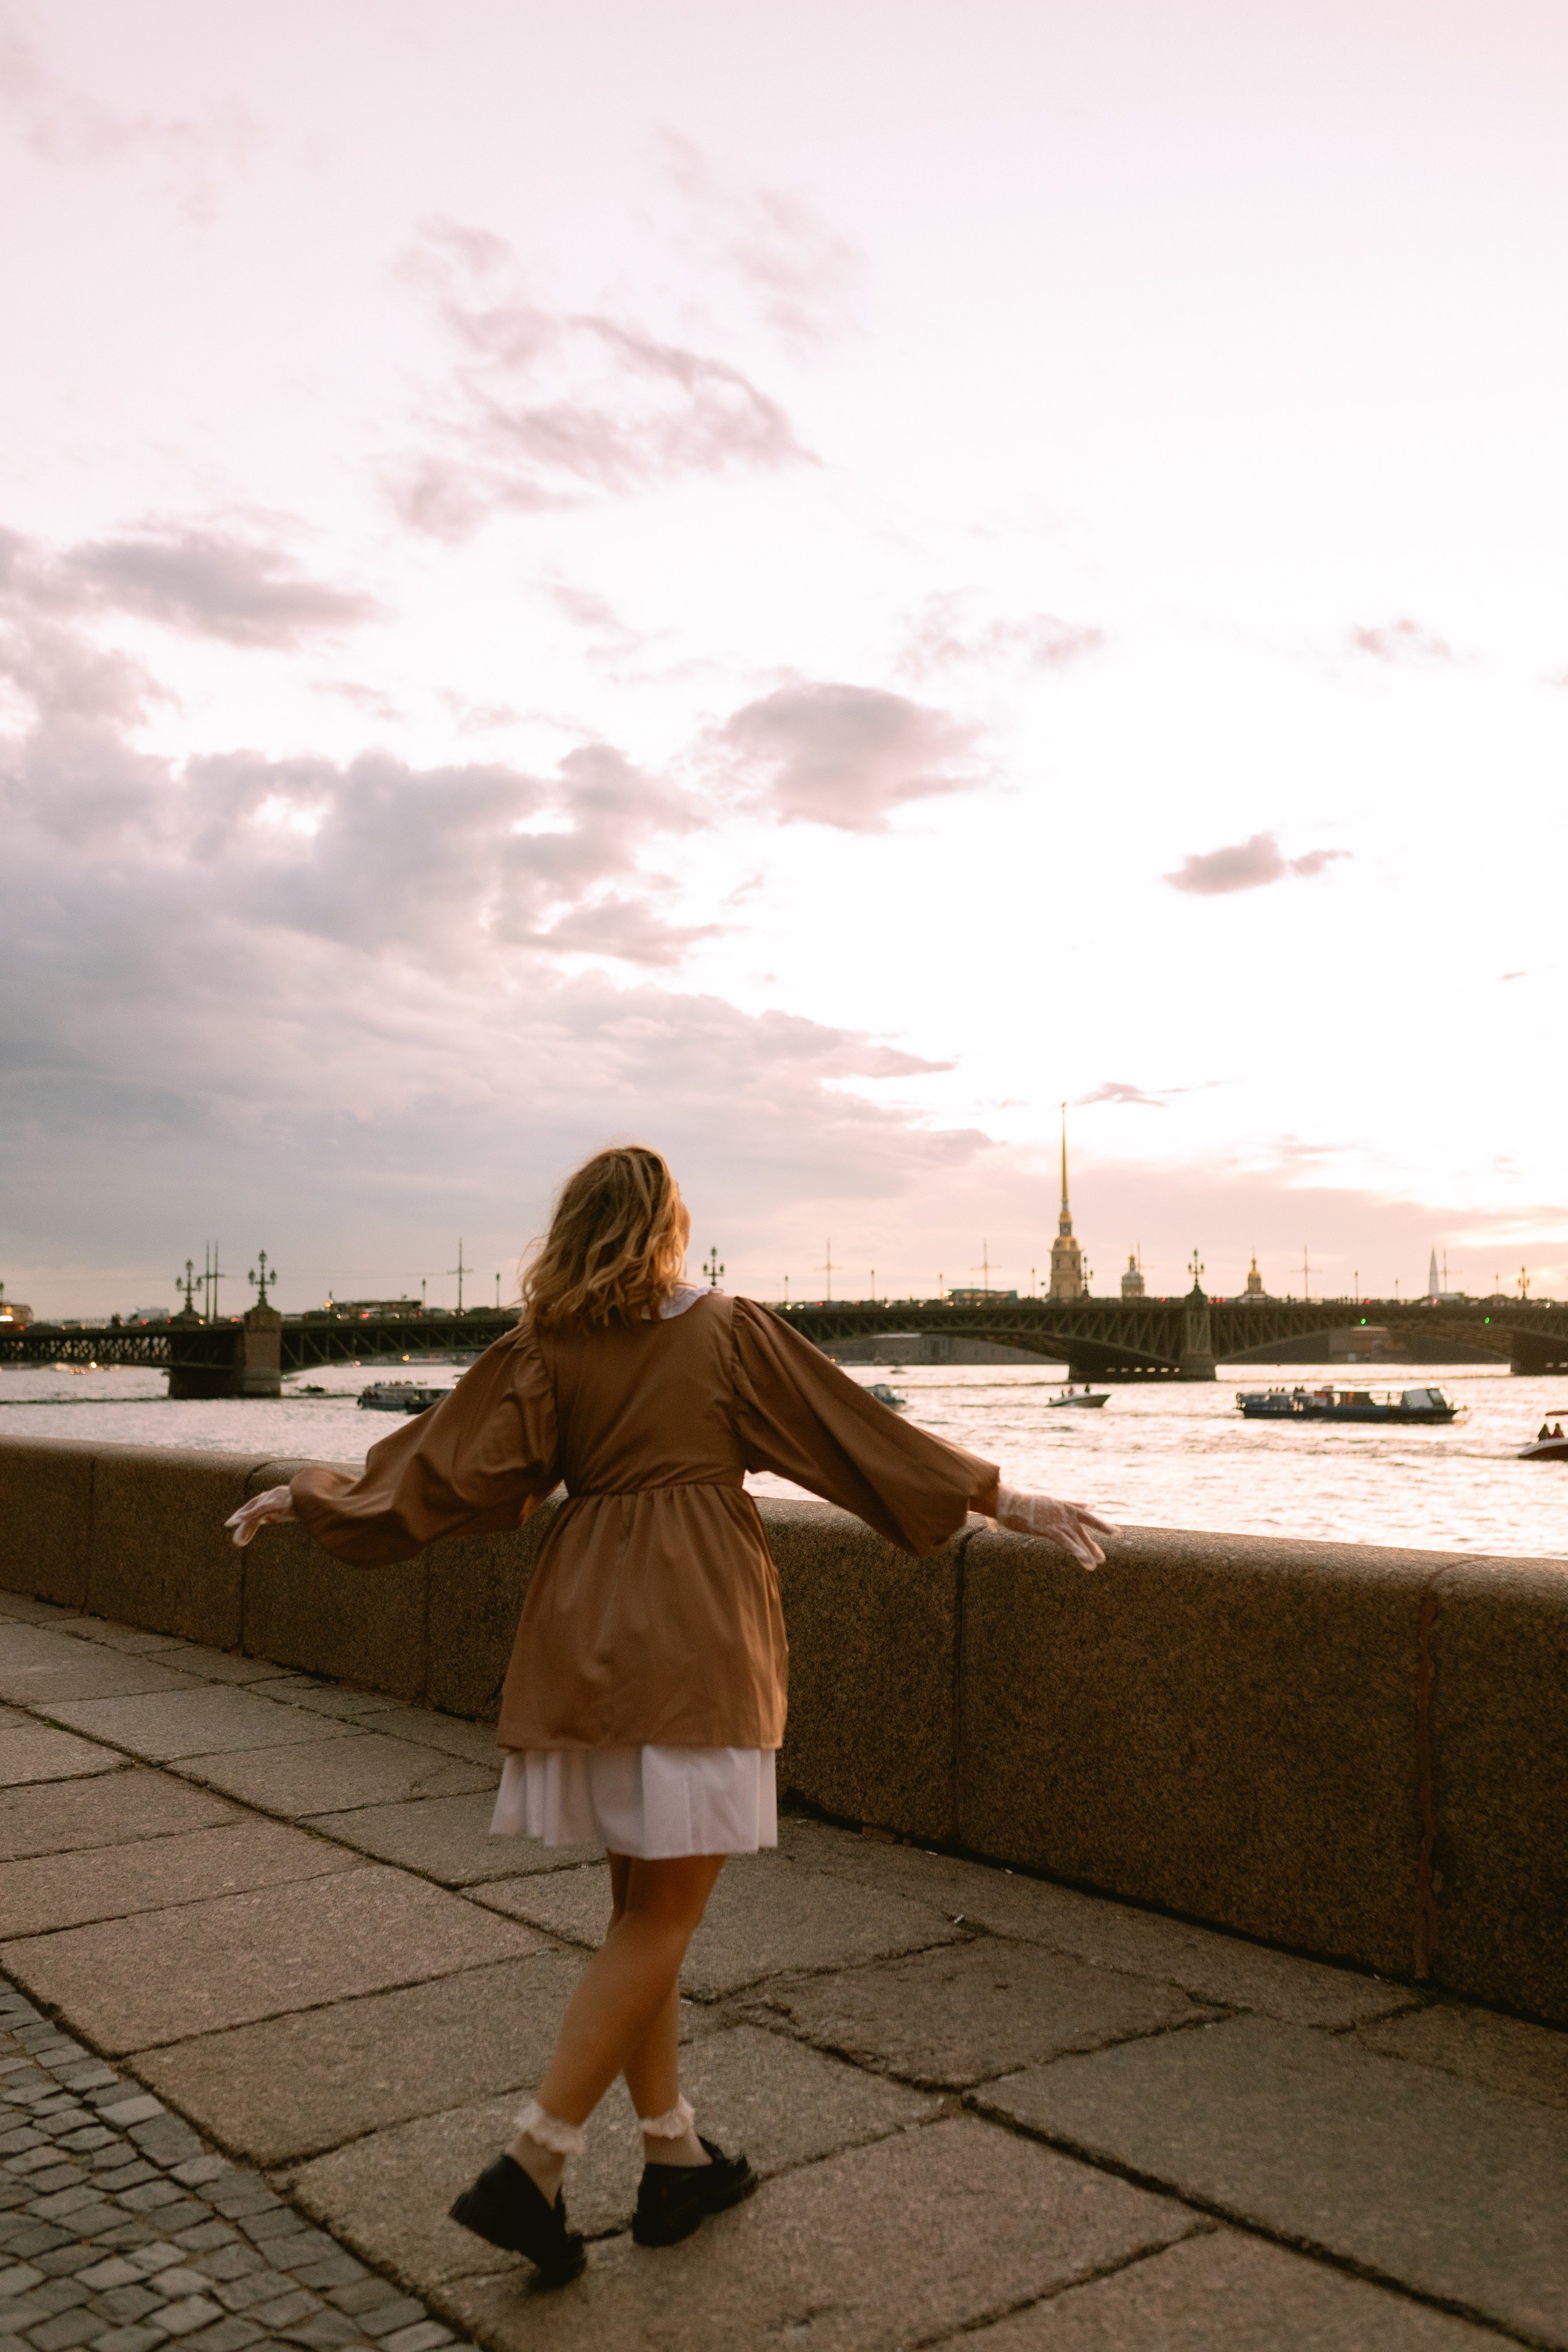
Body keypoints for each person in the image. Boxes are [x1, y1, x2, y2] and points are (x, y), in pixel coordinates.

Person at [225, 1146, 1114, 2286]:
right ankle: (533, 2163)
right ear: (669, 1227)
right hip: (694, 1628)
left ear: (575, 1229)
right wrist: (1005, 1498)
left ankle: (673, 2155)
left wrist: (313, 1498)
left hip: (584, 1627)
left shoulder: (542, 1347)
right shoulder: (727, 1328)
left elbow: (447, 1470)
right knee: (661, 1923)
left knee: (638, 1918)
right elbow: (851, 1437)